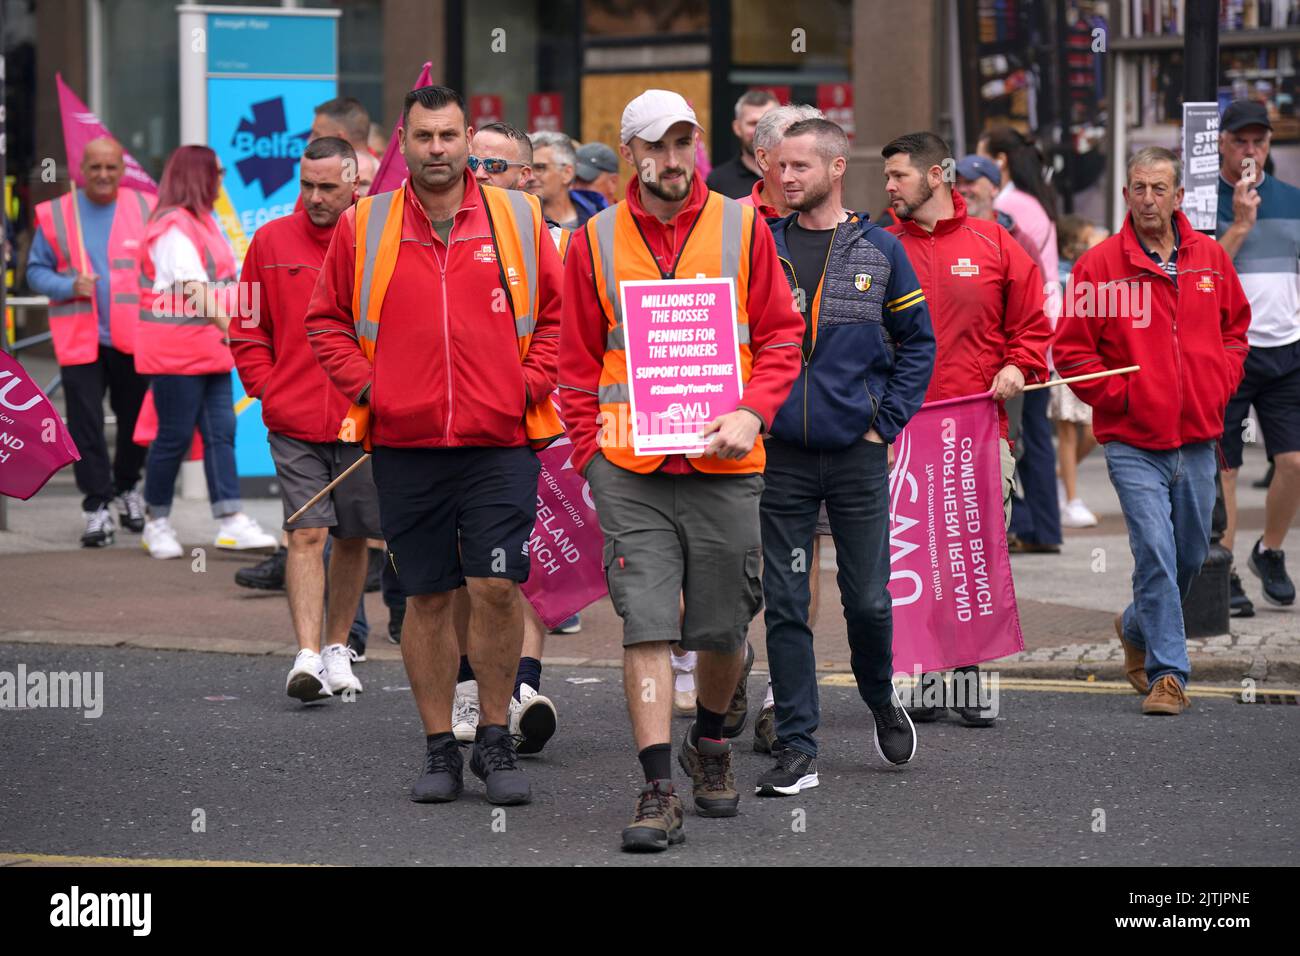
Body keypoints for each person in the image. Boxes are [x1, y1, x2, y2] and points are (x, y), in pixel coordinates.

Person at [559, 89, 803, 852]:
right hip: (630, 465)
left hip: (725, 461)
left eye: (684, 144)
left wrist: (753, 411)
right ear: (629, 152)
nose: (673, 161)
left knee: (723, 626)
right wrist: (590, 458)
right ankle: (658, 786)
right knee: (648, 622)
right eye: (657, 146)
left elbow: (781, 337)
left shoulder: (741, 225)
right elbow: (572, 367)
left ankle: (713, 745)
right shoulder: (593, 241)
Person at [306, 85, 563, 805]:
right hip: (406, 442)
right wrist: (372, 388)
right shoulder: (367, 223)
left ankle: (493, 739)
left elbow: (558, 317)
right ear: (404, 140)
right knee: (424, 598)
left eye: (450, 136)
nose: (438, 150)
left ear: (469, 135)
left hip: (499, 440)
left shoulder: (517, 215)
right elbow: (324, 320)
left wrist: (527, 383)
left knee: (496, 585)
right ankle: (438, 748)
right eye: (424, 138)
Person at [757, 118, 934, 796]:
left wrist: (882, 424)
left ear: (836, 169)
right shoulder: (759, 246)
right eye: (780, 165)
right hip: (782, 458)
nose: (787, 176)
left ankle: (880, 695)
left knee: (867, 601)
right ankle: (799, 747)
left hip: (857, 456)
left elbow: (918, 343)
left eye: (801, 165)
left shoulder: (881, 250)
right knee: (785, 603)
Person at [1055, 146, 1251, 715]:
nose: (1147, 199)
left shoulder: (1210, 258)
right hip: (1132, 441)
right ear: (1126, 195)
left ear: (1178, 196)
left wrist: (1221, 378)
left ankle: (1135, 624)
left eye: (1158, 188)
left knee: (1191, 554)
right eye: (1138, 188)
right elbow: (1070, 350)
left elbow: (1237, 330)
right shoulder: (1099, 266)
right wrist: (1124, 396)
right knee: (1157, 553)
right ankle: (1170, 675)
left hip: (1197, 438)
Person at [883, 131, 1052, 725]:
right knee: (915, 553)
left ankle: (966, 671)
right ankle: (926, 673)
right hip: (899, 432)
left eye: (898, 176)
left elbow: (1033, 324)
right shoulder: (878, 247)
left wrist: (1017, 364)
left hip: (977, 429)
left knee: (975, 550)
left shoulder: (995, 243)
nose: (888, 188)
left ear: (935, 177)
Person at [229, 136, 376, 703]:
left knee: (355, 535)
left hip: (361, 416)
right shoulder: (269, 240)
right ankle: (307, 655)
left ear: (353, 184)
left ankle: (338, 647)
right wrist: (269, 391)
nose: (314, 197)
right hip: (293, 420)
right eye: (306, 185)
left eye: (327, 187)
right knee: (307, 531)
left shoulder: (375, 241)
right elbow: (246, 326)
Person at [135, 145, 279, 558]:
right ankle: (156, 521)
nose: (222, 180)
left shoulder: (199, 222)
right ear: (198, 176)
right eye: (216, 173)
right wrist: (236, 331)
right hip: (178, 353)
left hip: (208, 349)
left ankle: (230, 519)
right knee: (174, 436)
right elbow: (193, 288)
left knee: (221, 432)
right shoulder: (175, 227)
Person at [27, 137, 154, 547]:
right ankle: (97, 505)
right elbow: (34, 272)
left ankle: (127, 487)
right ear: (82, 169)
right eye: (94, 167)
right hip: (80, 335)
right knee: (86, 424)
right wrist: (69, 285)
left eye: (110, 167)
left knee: (136, 419)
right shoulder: (58, 214)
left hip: (134, 335)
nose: (102, 175)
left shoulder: (145, 208)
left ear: (122, 169)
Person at [1216, 99, 1299, 613]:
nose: (1251, 150)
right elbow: (1199, 277)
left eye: (1259, 141)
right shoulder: (1203, 203)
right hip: (1229, 353)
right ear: (1222, 143)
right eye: (1241, 140)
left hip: (1288, 351)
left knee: (1293, 463)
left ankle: (1269, 551)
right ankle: (1222, 571)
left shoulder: (1292, 198)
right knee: (1224, 467)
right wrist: (1241, 224)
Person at [978, 126, 1063, 555]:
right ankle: (1044, 527)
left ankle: (1029, 522)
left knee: (1021, 438)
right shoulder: (1035, 200)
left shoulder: (1008, 208)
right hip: (1041, 330)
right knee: (1036, 436)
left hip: (1025, 335)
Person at [1052, 214, 1107, 528]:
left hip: (1088, 360)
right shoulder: (1063, 274)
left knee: (1091, 431)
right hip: (1063, 364)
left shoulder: (1086, 272)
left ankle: (1060, 482)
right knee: (1068, 433)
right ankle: (1071, 500)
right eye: (1088, 238)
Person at [705, 89, 779, 199]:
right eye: (752, 123)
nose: (760, 130)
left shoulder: (792, 176)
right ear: (737, 128)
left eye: (767, 123)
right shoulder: (717, 181)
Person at [529, 131, 604, 230]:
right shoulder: (516, 221)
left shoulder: (599, 220)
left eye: (540, 167)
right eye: (526, 169)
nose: (530, 177)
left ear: (567, 173)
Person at [574, 142, 620, 206]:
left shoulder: (626, 215)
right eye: (573, 181)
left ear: (613, 182)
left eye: (585, 181)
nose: (576, 187)